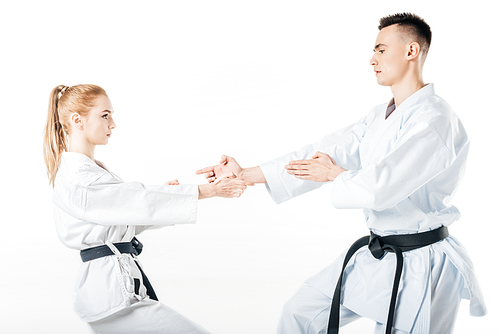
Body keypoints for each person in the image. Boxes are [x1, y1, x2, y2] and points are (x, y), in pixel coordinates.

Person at [196, 13, 487, 334]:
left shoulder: (435, 120)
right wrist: (247, 174)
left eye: (380, 49)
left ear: (411, 51)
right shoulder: (380, 116)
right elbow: (326, 152)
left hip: (421, 262)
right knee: (301, 313)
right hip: (378, 254)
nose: (372, 59)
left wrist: (336, 175)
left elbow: (382, 187)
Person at [43, 84, 253, 334]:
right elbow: (137, 201)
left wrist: (169, 198)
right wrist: (207, 191)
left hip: (110, 292)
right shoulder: (79, 176)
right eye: (105, 115)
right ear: (78, 120)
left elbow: (126, 215)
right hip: (111, 294)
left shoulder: (86, 171)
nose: (113, 124)